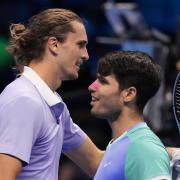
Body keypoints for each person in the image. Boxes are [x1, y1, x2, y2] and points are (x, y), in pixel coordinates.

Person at [0, 8, 103, 180]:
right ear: (54, 44)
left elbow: (95, 162)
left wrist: (154, 151)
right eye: (81, 45)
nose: (86, 55)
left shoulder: (54, 103)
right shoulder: (24, 100)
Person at [88, 50, 171, 180]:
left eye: (103, 81)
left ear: (129, 94)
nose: (91, 87)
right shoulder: (122, 145)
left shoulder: (143, 148)